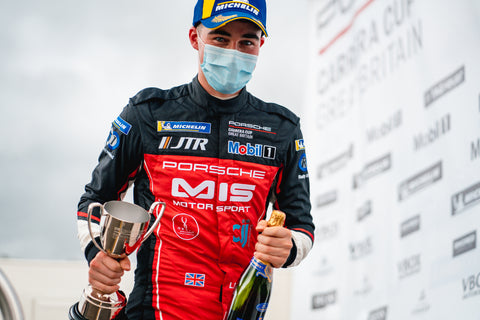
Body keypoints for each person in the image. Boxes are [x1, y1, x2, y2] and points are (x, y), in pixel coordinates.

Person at [76, 1, 315, 319]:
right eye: (220, 37)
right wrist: (97, 254)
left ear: (261, 45)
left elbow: (302, 226)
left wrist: (289, 248)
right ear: (194, 37)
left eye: (247, 40)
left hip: (242, 310)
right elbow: (93, 200)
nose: (234, 49)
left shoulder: (282, 128)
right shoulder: (147, 114)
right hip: (156, 311)